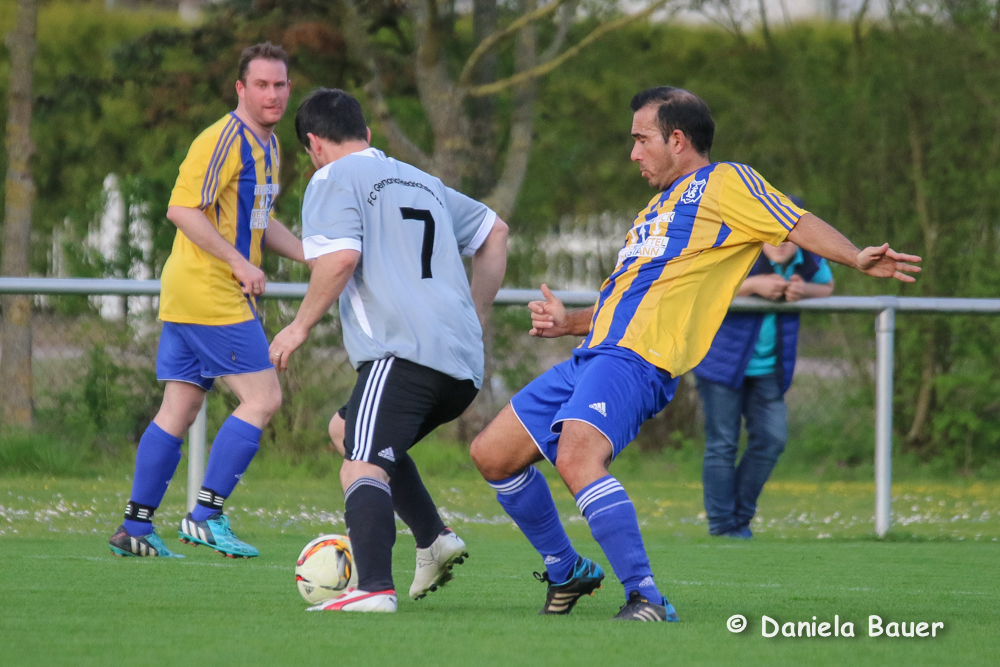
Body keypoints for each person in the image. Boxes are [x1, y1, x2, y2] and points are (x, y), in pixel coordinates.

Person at [469, 86, 919, 622]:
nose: (633, 153)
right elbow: (631, 297)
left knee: (576, 458)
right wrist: (570, 322)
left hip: (637, 358)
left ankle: (647, 598)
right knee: (492, 454)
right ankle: (568, 571)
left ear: (677, 140)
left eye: (640, 140)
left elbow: (793, 219)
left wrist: (854, 256)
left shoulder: (726, 182)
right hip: (597, 352)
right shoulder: (653, 212)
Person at [268, 88, 508, 613]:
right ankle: (433, 537)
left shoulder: (331, 177)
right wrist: (472, 312)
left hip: (402, 353)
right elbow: (496, 232)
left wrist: (298, 327)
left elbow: (339, 259)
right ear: (368, 135)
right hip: (461, 365)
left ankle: (373, 588)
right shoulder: (423, 180)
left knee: (361, 466)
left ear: (313, 144)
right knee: (346, 430)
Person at [108, 43, 305, 559]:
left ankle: (134, 527)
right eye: (261, 84)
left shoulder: (271, 145)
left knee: (181, 405)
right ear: (240, 89)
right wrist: (239, 263)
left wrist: (308, 255)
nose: (272, 94)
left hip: (190, 294)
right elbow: (182, 209)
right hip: (210, 294)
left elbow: (259, 220)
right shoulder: (223, 139)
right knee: (263, 399)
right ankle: (206, 514)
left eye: (280, 84)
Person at [693, 237, 833, 539]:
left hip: (769, 367)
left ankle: (739, 519)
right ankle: (722, 525)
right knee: (723, 444)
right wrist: (752, 286)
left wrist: (802, 290)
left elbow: (827, 286)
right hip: (719, 362)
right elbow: (702, 287)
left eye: (789, 237)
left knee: (772, 439)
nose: (781, 243)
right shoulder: (736, 250)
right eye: (773, 235)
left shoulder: (809, 258)